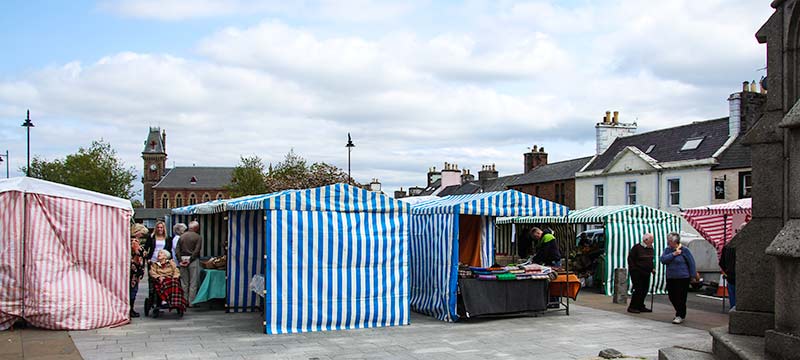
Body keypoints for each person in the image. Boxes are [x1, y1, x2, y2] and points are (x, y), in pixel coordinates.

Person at [660, 232, 698, 324]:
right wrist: (674, 254)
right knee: (672, 296)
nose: (668, 243)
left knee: (681, 297)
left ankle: (680, 314)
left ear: (675, 241)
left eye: (669, 241)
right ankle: (679, 311)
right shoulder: (668, 250)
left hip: (683, 277)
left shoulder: (685, 250)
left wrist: (693, 276)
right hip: (671, 277)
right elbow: (663, 260)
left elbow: (691, 263)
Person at [627, 233, 655, 313]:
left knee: (645, 289)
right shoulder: (637, 248)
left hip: (646, 272)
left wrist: (652, 268)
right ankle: (633, 306)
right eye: (651, 241)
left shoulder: (650, 248)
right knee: (638, 289)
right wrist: (634, 269)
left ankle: (640, 305)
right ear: (645, 240)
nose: (652, 243)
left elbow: (650, 260)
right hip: (637, 272)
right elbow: (630, 259)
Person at [177, 221, 203, 305]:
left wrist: (180, 260)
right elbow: (197, 250)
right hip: (193, 260)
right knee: (193, 282)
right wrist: (190, 260)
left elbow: (177, 250)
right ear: (196, 228)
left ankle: (184, 301)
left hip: (182, 258)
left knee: (184, 282)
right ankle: (191, 302)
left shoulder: (181, 236)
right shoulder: (198, 237)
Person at [719, 223, 744, 310]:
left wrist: (727, 271)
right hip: (742, 276)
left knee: (733, 299)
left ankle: (733, 312)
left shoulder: (728, 246)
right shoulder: (745, 246)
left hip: (730, 276)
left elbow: (721, 262)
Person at [129, 223, 148, 318]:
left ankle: (130, 308)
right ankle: (130, 309)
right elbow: (139, 253)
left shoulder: (132, 241)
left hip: (135, 269)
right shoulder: (134, 242)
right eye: (141, 233)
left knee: (133, 289)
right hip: (134, 270)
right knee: (133, 289)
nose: (142, 236)